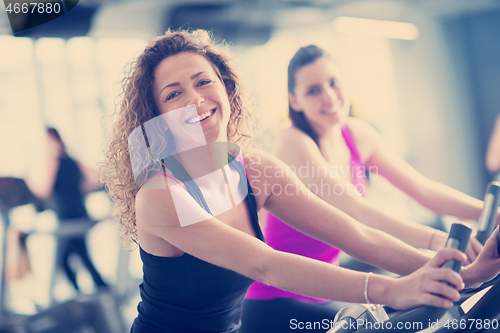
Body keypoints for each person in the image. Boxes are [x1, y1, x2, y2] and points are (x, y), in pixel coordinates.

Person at [100, 30, 500, 333]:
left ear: (226, 85)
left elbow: (356, 235)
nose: (195, 100)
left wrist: (460, 275)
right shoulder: (159, 196)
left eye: (203, 82)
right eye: (174, 94)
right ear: (157, 117)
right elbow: (267, 265)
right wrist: (393, 290)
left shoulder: (255, 170)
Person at [241, 45, 492, 332]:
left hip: (325, 293)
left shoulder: (356, 135)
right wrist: (437, 242)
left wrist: (488, 212)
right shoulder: (292, 142)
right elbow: (358, 214)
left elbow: (423, 190)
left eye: (333, 82)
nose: (329, 96)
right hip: (276, 301)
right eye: (313, 91)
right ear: (294, 101)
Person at [25, 127, 108, 294]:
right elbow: (98, 177)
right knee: (78, 256)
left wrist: (28, 181)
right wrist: (81, 189)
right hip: (80, 213)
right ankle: (95, 291)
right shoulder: (73, 161)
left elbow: (44, 191)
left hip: (66, 218)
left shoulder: (53, 162)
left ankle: (94, 291)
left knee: (66, 260)